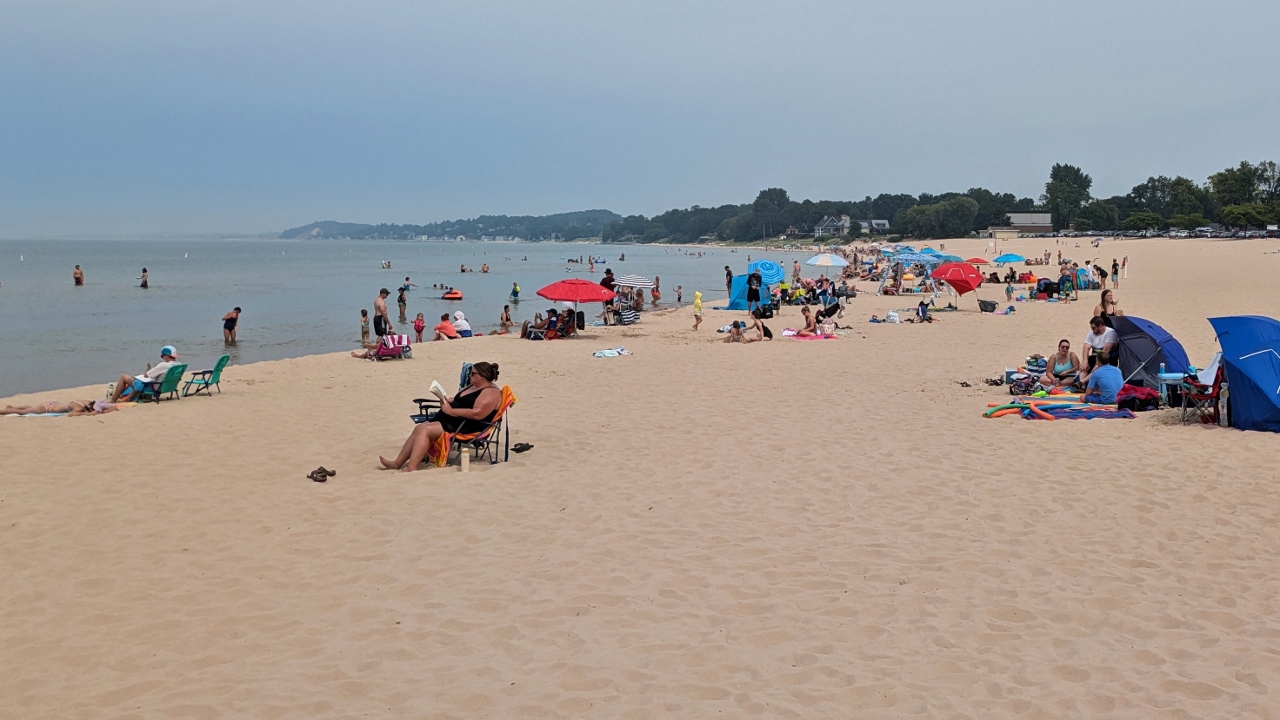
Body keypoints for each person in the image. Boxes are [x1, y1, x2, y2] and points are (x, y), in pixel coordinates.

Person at [380, 362, 504, 472]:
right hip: (456, 420)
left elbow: (477, 414)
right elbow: (463, 401)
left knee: (425, 430)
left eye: (472, 374)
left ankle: (411, 467)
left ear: (482, 376)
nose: (469, 376)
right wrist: (448, 401)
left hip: (468, 426)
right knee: (419, 428)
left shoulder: (490, 393)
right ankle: (397, 463)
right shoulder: (475, 386)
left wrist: (451, 411)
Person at [109, 346, 180, 402]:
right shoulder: (178, 365)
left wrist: (150, 370)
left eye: (162, 356)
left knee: (124, 377)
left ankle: (113, 400)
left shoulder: (164, 365)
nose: (163, 358)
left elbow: (147, 375)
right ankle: (128, 398)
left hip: (154, 388)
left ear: (167, 356)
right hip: (167, 387)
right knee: (138, 380)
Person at [1078, 316, 1119, 385]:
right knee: (1083, 366)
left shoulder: (1111, 333)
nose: (1092, 330)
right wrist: (1085, 361)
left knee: (1097, 367)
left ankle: (1082, 382)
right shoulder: (1091, 333)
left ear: (1100, 326)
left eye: (1094, 328)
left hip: (1106, 359)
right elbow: (1086, 348)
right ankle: (1082, 386)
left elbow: (1106, 350)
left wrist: (1097, 364)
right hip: (1095, 356)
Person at [1, 399, 118, 416]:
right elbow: (72, 414)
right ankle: (4, 411)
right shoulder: (79, 408)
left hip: (52, 404)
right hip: (47, 408)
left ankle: (12, 406)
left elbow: (104, 408)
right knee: (24, 412)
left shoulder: (86, 401)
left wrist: (108, 410)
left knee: (31, 408)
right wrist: (87, 414)